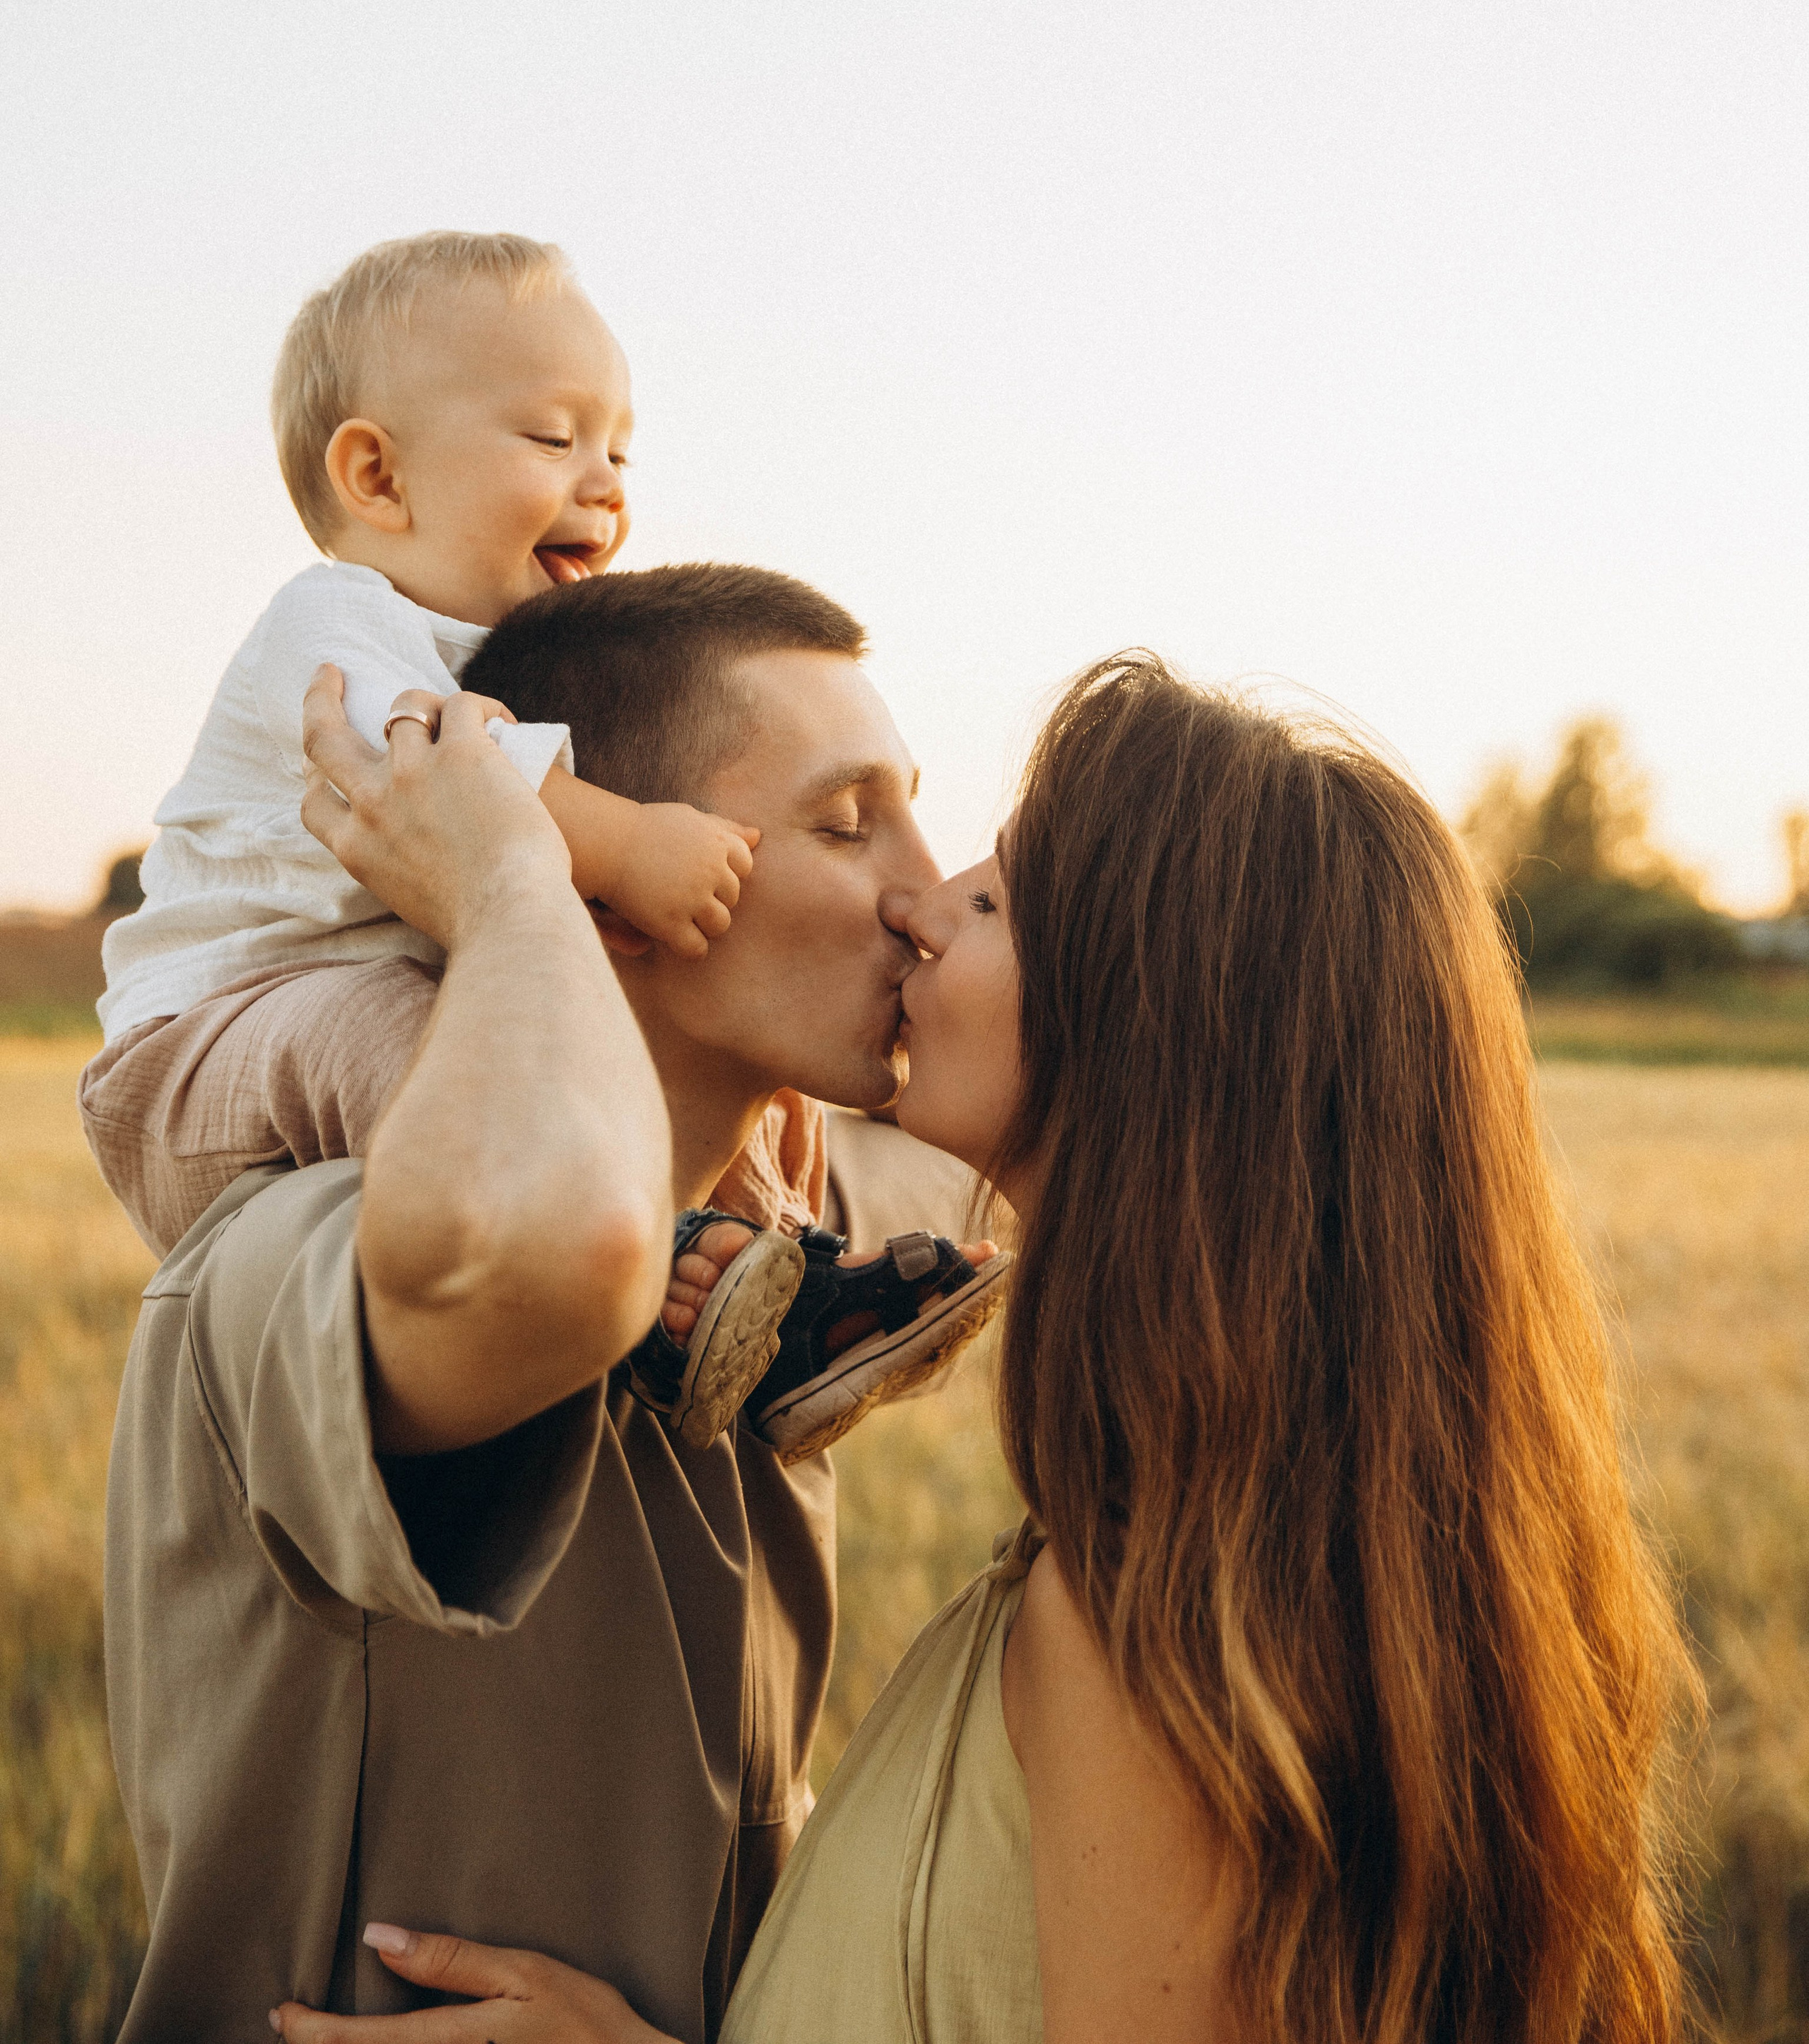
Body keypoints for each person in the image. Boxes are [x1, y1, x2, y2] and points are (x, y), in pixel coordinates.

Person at [276, 654, 1696, 2044]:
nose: (923, 907)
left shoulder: (1143, 1642)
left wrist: (514, 878)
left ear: (1157, 1026)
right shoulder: (1207, 1561)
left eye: (997, 895)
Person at [104, 567, 998, 2044]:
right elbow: (555, 1240)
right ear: (621, 893)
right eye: (847, 826)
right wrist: (513, 870)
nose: (922, 897)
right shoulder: (292, 1258)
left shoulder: (767, 1299)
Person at [82, 232, 994, 1442]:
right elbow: (437, 781)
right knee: (404, 1018)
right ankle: (657, 1259)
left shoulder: (513, 676)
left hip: (351, 1001)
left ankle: (772, 1287)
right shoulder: (333, 623)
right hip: (204, 1040)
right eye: (555, 440)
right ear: (378, 477)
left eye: (619, 448)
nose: (606, 480)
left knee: (753, 1098)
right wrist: (625, 843)